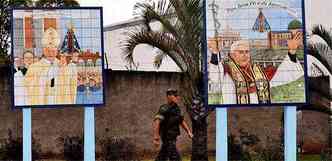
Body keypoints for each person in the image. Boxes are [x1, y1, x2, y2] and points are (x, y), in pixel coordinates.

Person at [208, 31, 304, 104]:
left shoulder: (259, 71)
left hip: (261, 113)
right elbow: (215, 76)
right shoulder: (226, 70)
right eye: (241, 52)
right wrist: (215, 52)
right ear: (232, 55)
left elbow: (282, 75)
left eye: (247, 52)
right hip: (235, 114)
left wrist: (292, 51)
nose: (245, 55)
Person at [153, 89, 193, 161]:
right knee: (175, 157)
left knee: (162, 156)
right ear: (168, 96)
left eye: (177, 96)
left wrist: (188, 132)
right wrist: (156, 137)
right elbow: (157, 121)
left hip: (173, 137)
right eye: (174, 96)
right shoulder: (164, 108)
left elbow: (181, 121)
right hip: (167, 137)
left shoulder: (177, 109)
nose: (177, 97)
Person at [24, 27, 61, 105]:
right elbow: (27, 87)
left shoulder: (63, 66)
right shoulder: (34, 67)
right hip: (42, 102)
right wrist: (43, 77)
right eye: (48, 49)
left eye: (54, 48)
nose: (51, 51)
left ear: (57, 50)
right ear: (44, 50)